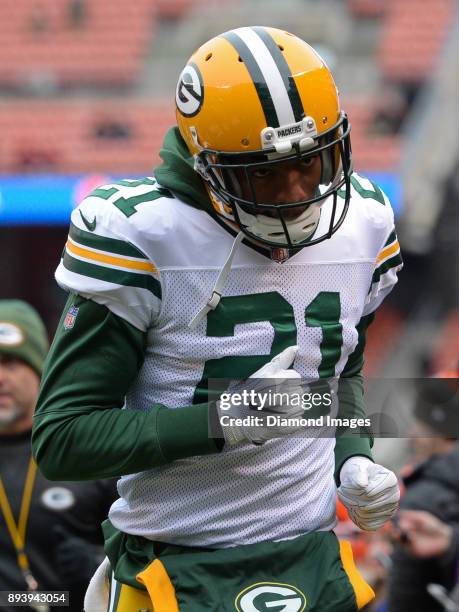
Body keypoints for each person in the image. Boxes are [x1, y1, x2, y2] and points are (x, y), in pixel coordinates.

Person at [32, 27, 402, 611]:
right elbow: (63, 439)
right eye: (265, 174)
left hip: (311, 555)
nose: (298, 193)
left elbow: (336, 374)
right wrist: (219, 421)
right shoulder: (144, 232)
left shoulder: (366, 219)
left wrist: (353, 452)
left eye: (313, 162)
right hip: (177, 561)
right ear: (208, 167)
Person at [0, 300, 117, 611]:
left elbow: (144, 555)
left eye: (10, 362)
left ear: (40, 369)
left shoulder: (80, 450)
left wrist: (98, 563)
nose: (0, 377)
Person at [388, 376, 459, 612]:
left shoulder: (424, 494)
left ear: (439, 430)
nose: (412, 435)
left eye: (419, 425)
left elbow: (406, 590)